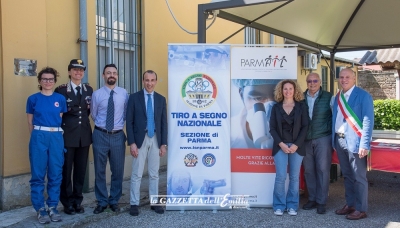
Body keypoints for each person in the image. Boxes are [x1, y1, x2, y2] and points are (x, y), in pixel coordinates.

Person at [26, 67, 67, 224]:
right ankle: (40, 209)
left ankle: (52, 206)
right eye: (44, 79)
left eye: (50, 79)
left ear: (54, 81)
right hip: (39, 136)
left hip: (56, 136)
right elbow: (30, 122)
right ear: (39, 81)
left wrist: (51, 134)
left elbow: (59, 117)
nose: (48, 82)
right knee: (38, 174)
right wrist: (38, 137)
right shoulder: (33, 99)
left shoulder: (60, 99)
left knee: (55, 173)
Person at [332, 68, 374, 220]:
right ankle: (351, 204)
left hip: (355, 141)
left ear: (354, 78)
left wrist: (365, 144)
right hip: (339, 140)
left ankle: (361, 209)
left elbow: (368, 121)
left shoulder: (363, 96)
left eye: (347, 77)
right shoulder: (338, 97)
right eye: (341, 77)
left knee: (359, 177)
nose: (344, 80)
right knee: (348, 176)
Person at [126, 70, 167, 216]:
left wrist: (163, 144)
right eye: (147, 80)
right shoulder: (134, 98)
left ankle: (154, 202)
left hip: (155, 138)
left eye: (152, 80)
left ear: (156, 81)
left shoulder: (161, 99)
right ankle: (134, 203)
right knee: (137, 173)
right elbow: (129, 122)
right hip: (139, 140)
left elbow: (163, 123)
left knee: (154, 173)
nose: (149, 83)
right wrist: (132, 143)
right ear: (143, 81)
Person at [55, 59, 93, 215]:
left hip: (84, 136)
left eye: (81, 70)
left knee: (80, 171)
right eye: (75, 70)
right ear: (69, 72)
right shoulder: (61, 90)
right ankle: (67, 202)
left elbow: (88, 111)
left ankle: (78, 201)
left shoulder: (89, 90)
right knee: (66, 170)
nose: (79, 72)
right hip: (67, 136)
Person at [91, 64, 128, 214]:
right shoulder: (97, 94)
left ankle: (114, 200)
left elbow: (126, 113)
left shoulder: (124, 93)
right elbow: (93, 114)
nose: (111, 75)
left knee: (117, 170)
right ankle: (101, 201)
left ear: (117, 76)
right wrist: (103, 128)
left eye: (114, 73)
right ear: (103, 76)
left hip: (118, 136)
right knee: (99, 170)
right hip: (100, 134)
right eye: (108, 73)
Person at [269, 80, 308, 216]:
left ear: (295, 90)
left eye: (290, 88)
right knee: (280, 177)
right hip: (280, 145)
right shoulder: (275, 107)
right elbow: (272, 128)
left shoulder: (301, 107)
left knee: (294, 177)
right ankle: (279, 206)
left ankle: (292, 205)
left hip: (297, 146)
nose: (288, 91)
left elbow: (305, 127)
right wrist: (281, 144)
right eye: (285, 89)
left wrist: (296, 144)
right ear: (281, 91)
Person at [302, 73, 333, 214]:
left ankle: (322, 201)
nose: (312, 83)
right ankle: (312, 199)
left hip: (323, 138)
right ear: (306, 82)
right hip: (305, 139)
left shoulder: (328, 97)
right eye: (309, 81)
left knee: (322, 170)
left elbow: (335, 116)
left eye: (315, 80)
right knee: (309, 170)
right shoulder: (300, 98)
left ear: (320, 81)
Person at [231, 79, 279, 149]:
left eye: (280, 98)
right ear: (242, 95)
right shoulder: (226, 134)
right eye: (258, 98)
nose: (270, 108)